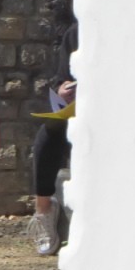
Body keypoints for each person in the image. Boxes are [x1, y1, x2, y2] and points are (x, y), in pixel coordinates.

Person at [27, 22, 78, 255]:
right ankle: (44, 208)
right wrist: (62, 89)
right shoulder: (76, 33)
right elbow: (60, 77)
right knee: (48, 136)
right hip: (78, 112)